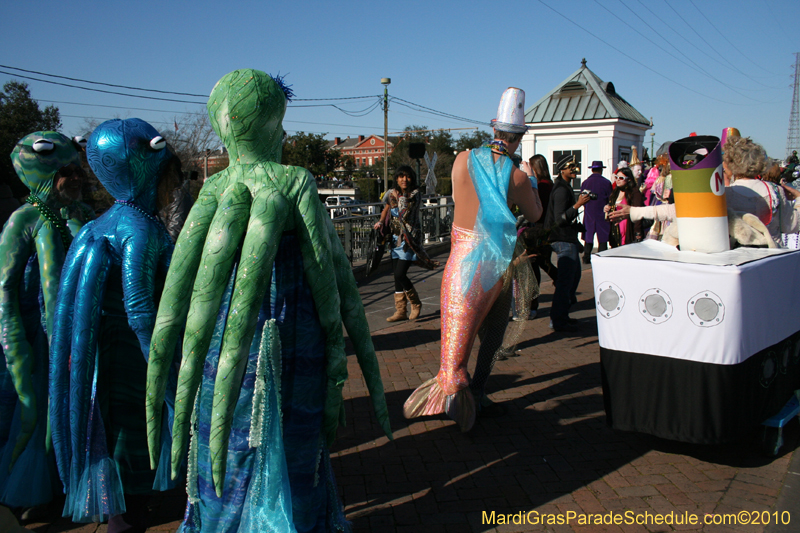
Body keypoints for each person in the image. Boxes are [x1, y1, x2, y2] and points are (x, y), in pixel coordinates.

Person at [143, 69, 391, 532]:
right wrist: (339, 346)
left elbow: (184, 291)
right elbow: (327, 270)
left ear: (222, 128)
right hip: (295, 340)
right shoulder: (295, 180)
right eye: (281, 124)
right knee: (294, 438)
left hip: (223, 338)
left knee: (229, 429)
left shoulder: (213, 189)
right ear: (274, 125)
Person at [49, 119, 178, 530]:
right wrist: (165, 374)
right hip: (135, 357)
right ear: (149, 168)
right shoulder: (140, 228)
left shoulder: (96, 225)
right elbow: (139, 306)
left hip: (105, 350)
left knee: (107, 426)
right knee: (132, 436)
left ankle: (116, 514)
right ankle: (127, 516)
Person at [404, 87, 543, 431]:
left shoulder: (463, 159)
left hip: (458, 263)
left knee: (455, 337)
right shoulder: (517, 176)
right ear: (519, 137)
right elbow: (536, 215)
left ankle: (453, 390)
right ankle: (474, 393)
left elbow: (455, 195)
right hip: (493, 265)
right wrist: (533, 183)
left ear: (494, 129)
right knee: (492, 334)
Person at [0, 132, 93, 513]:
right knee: (32, 413)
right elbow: (3, 286)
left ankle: (58, 483)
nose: (74, 177)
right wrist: (14, 342)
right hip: (35, 340)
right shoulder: (24, 218)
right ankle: (26, 492)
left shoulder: (72, 216)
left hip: (70, 334)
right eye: (64, 170)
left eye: (76, 169)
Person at [374, 165, 438, 321]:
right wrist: (381, 222)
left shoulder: (415, 194)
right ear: (396, 178)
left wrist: (393, 195)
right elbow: (387, 208)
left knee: (400, 273)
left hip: (409, 238)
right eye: (401, 176)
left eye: (407, 176)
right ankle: (400, 310)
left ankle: (415, 303)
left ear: (412, 179)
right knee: (396, 276)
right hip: (395, 238)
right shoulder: (391, 194)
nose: (404, 179)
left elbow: (404, 208)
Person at [723, 136, 800, 246]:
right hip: (772, 254)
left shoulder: (725, 194)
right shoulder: (775, 191)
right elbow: (791, 224)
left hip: (738, 255)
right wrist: (798, 199)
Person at [545, 154, 591, 332]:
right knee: (566, 282)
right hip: (562, 239)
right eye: (570, 166)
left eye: (575, 165)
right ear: (561, 169)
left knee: (572, 279)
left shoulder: (565, 187)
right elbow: (560, 219)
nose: (574, 169)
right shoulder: (562, 190)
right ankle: (557, 320)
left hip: (567, 238)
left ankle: (561, 316)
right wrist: (578, 205)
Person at [579, 161, 613, 264]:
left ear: (592, 170)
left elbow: (582, 197)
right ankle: (601, 257)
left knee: (588, 236)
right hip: (602, 212)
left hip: (589, 212)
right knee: (603, 236)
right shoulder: (606, 183)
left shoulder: (585, 182)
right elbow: (610, 198)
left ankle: (586, 256)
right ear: (601, 170)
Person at [606, 166, 645, 247]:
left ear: (629, 179)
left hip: (628, 228)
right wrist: (607, 208)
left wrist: (637, 232)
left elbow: (638, 212)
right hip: (615, 229)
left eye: (621, 178)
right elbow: (611, 208)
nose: (618, 180)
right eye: (616, 177)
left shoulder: (634, 192)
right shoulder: (615, 192)